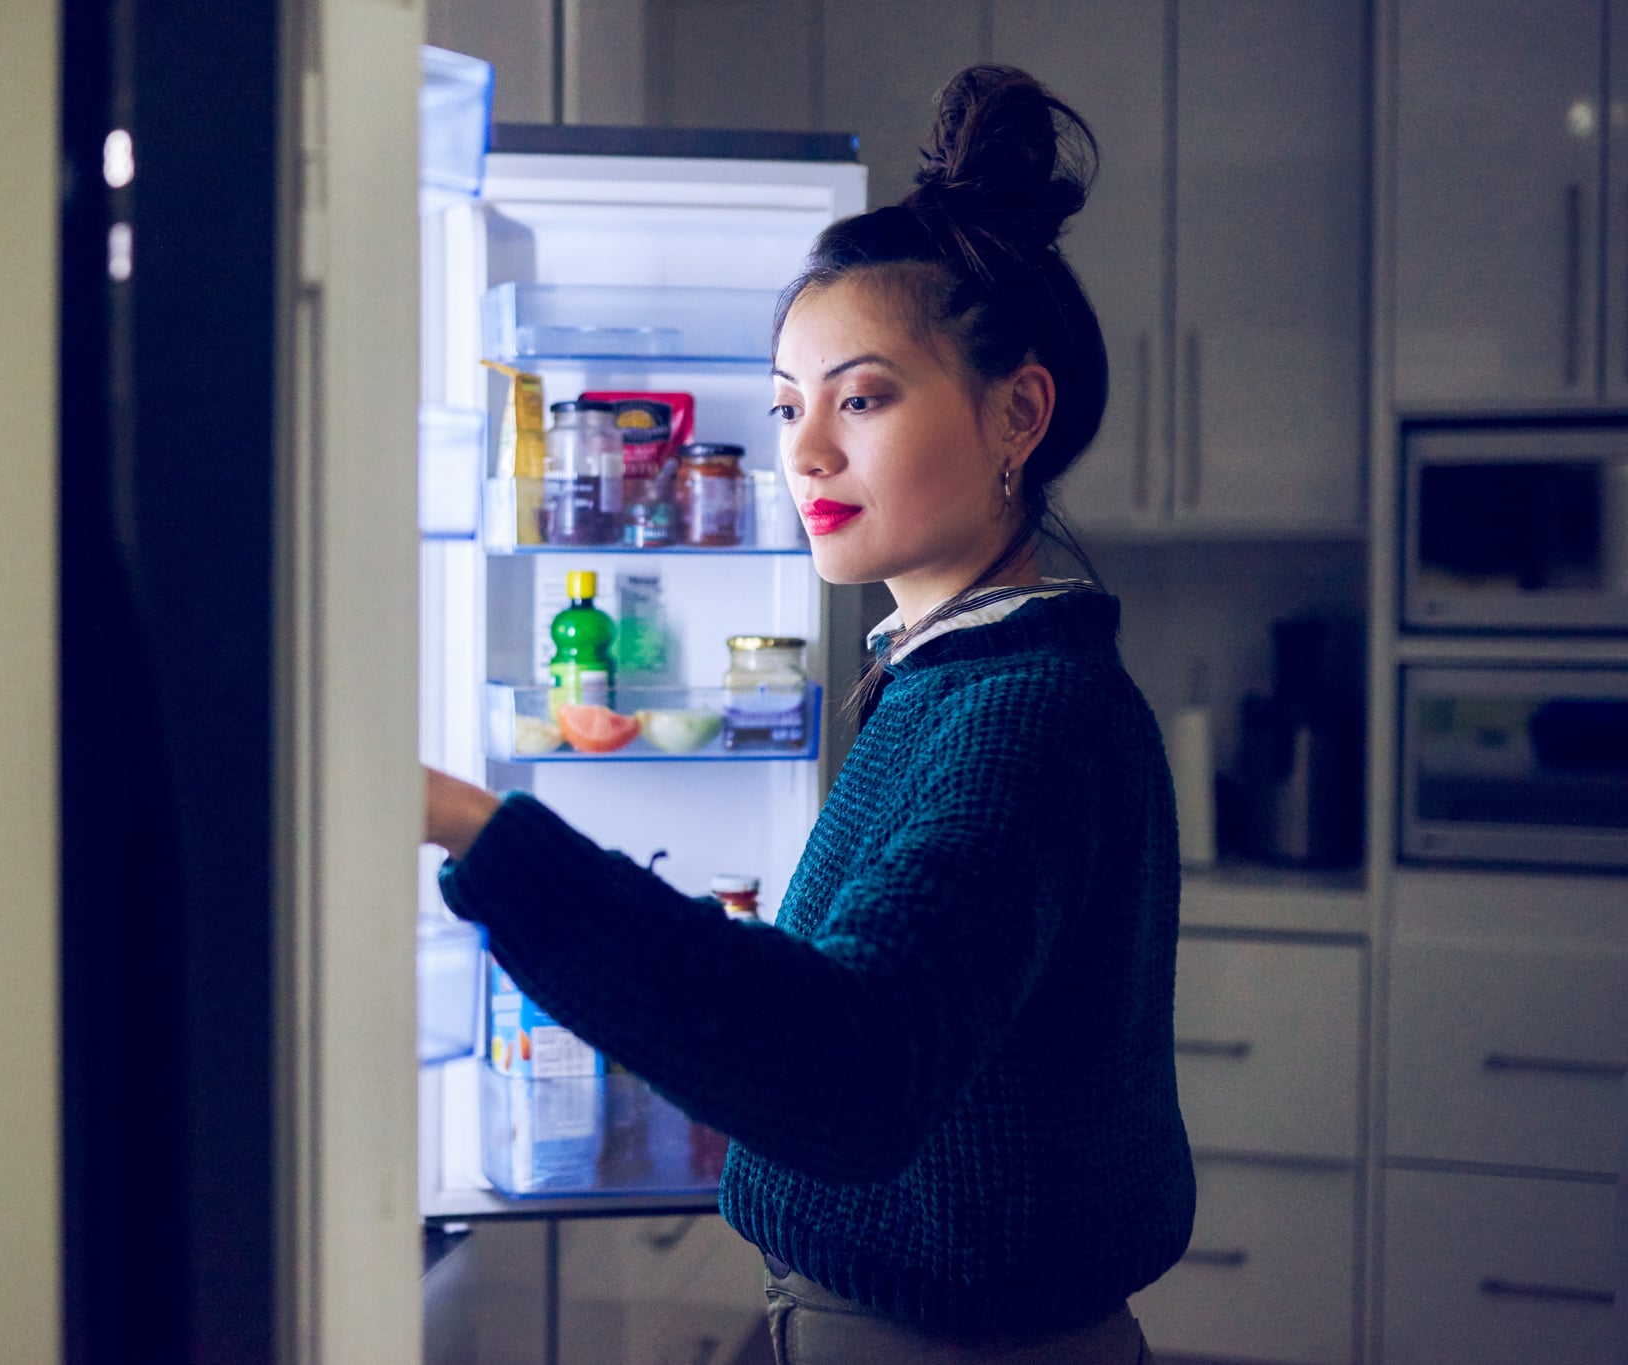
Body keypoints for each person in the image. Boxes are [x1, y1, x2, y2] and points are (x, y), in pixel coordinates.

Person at [424, 65, 1194, 1365]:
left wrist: (477, 826)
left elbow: (855, 1074)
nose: (807, 452)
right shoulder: (946, 677)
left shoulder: (1028, 715)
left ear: (1018, 411)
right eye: (788, 404)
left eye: (865, 395)